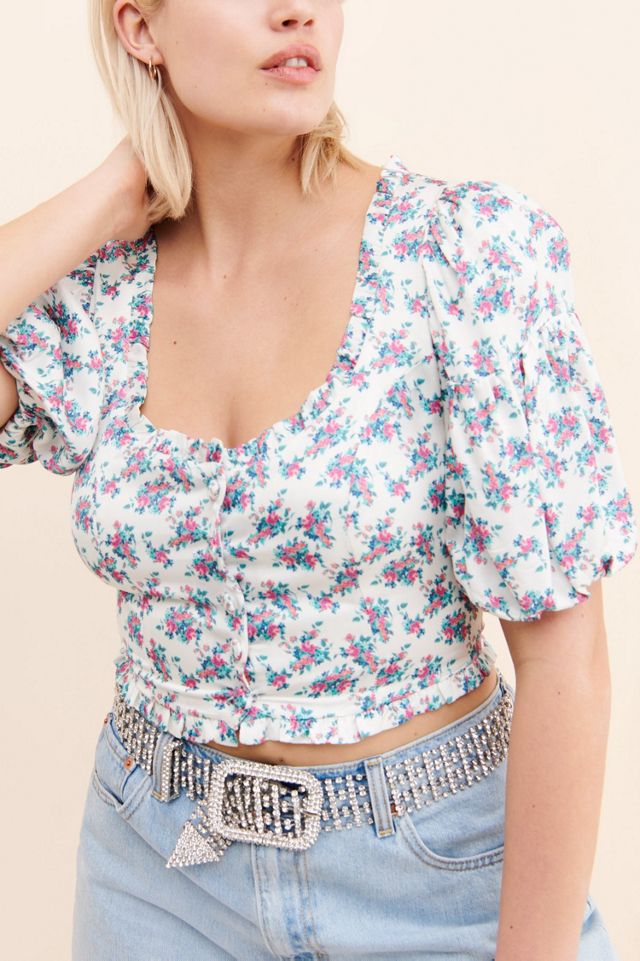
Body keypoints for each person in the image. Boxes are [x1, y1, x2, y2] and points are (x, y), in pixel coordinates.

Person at [0, 2, 636, 959]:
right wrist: (106, 194)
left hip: (436, 878)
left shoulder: (461, 257)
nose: (296, 8)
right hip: (157, 873)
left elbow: (565, 664)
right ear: (140, 28)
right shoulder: (97, 294)